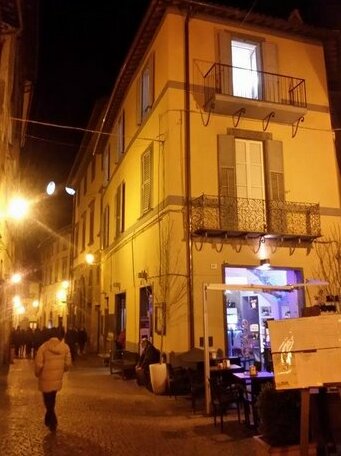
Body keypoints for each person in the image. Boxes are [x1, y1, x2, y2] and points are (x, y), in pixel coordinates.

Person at [34, 326, 72, 432]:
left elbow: (39, 364)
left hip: (45, 378)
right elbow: (68, 363)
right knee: (52, 398)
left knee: (47, 399)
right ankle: (51, 419)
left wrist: (37, 373)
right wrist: (61, 370)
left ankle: (51, 419)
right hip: (57, 379)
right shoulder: (65, 347)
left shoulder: (43, 347)